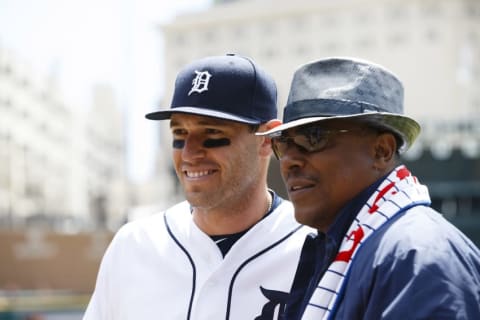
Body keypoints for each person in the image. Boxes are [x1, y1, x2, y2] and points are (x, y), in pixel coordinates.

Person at [83, 54, 313, 320]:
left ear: (266, 139)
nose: (190, 153)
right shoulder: (133, 246)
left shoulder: (314, 249)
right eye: (179, 134)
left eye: (212, 133)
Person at [258, 57, 480, 319]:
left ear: (381, 151)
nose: (289, 161)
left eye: (312, 137)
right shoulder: (352, 246)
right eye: (284, 144)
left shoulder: (417, 259)